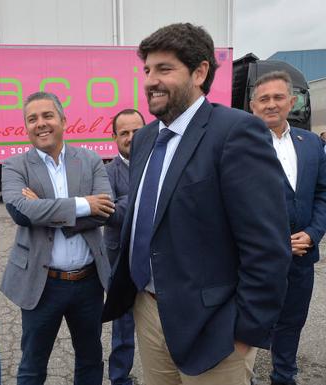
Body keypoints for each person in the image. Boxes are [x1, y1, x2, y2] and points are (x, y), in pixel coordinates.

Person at [102, 23, 291, 385]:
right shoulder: (143, 139)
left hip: (214, 330)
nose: (150, 81)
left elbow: (267, 246)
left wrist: (243, 335)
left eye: (164, 69)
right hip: (151, 313)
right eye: (147, 70)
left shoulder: (236, 132)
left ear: (200, 72)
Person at [1, 91, 115, 385]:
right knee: (33, 364)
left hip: (88, 283)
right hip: (42, 284)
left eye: (47, 116)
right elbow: (21, 213)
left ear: (63, 121)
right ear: (26, 127)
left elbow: (105, 210)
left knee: (90, 359)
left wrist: (45, 209)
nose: (40, 123)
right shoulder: (15, 166)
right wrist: (82, 204)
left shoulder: (89, 160)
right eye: (32, 119)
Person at [250, 70, 326, 385]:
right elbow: (236, 208)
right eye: (263, 99)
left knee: (292, 321)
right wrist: (279, 241)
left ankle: (284, 375)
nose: (271, 104)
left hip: (302, 257)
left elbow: (322, 193)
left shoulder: (310, 144)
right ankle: (245, 376)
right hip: (258, 260)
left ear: (291, 102)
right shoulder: (241, 146)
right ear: (252, 106)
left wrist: (312, 233)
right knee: (253, 321)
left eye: (278, 97)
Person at [104, 109, 145, 385]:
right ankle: (120, 379)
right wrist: (148, 193)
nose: (131, 138)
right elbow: (112, 213)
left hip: (159, 259)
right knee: (123, 323)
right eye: (124, 133)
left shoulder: (160, 163)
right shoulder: (105, 171)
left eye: (137, 131)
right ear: (114, 137)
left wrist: (124, 199)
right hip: (121, 258)